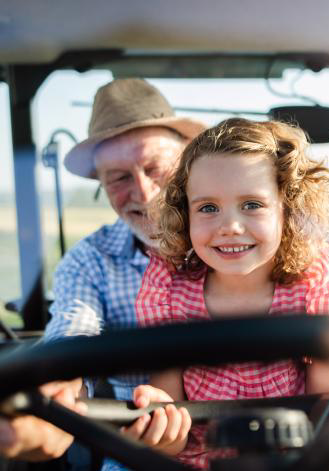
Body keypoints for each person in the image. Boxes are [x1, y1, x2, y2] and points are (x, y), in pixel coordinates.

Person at [129, 117, 329, 470]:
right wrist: (161, 429)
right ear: (185, 215)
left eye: (252, 204)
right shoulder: (169, 298)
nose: (230, 227)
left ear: (287, 208)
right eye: (207, 208)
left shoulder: (311, 295)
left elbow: (324, 407)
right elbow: (172, 425)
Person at [0, 78, 206, 463]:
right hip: (142, 451)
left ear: (189, 165)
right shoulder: (90, 260)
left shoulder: (243, 240)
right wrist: (55, 397)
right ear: (101, 185)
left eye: (155, 168)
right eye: (120, 178)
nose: (144, 193)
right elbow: (73, 336)